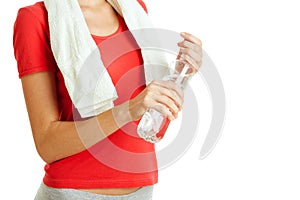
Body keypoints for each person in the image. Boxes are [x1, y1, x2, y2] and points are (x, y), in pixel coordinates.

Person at [13, 0, 202, 199]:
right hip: (73, 193)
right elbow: (47, 145)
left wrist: (182, 73)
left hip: (141, 192)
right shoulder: (37, 18)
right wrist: (128, 110)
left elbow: (150, 124)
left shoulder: (133, 9)